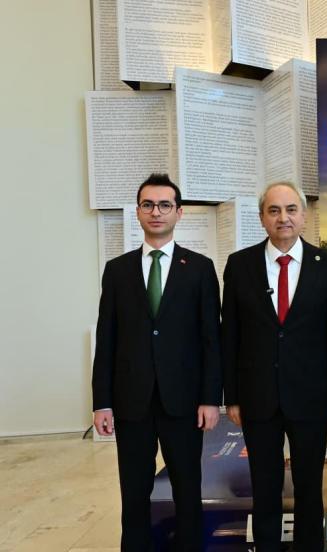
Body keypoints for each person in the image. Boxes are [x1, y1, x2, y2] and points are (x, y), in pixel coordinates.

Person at [92, 173, 221, 551]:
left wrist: (210, 398)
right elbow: (106, 338)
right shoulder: (117, 270)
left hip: (184, 401)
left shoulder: (199, 268)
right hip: (131, 401)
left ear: (179, 213)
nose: (156, 212)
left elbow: (211, 339)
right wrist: (102, 402)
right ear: (138, 212)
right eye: (148, 204)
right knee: (134, 493)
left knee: (187, 489)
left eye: (165, 205)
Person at [221, 182, 327, 551]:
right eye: (274, 210)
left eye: (291, 209)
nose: (283, 218)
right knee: (264, 486)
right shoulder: (239, 265)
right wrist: (232, 396)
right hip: (257, 397)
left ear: (304, 216)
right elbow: (230, 335)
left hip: (311, 398)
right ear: (262, 218)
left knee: (309, 486)